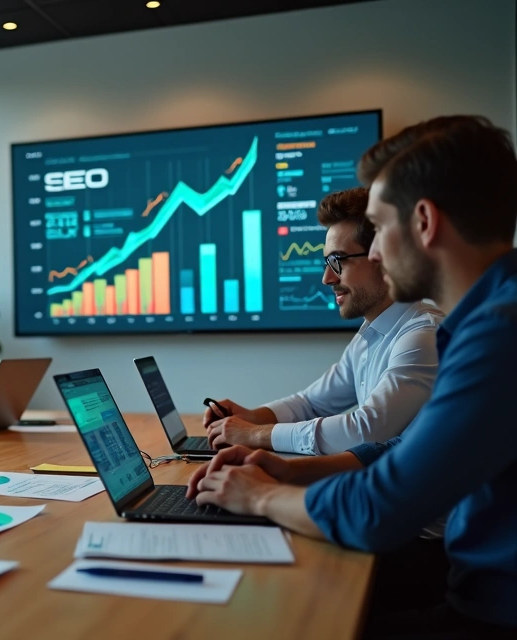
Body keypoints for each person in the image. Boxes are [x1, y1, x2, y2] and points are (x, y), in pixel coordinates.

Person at [188, 115, 517, 638]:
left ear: (425, 222)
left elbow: (377, 509)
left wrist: (259, 497)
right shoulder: (489, 320)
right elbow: (408, 449)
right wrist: (287, 469)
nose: (379, 252)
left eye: (381, 228)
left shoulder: (499, 335)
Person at [204, 187, 442, 455]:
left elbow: (369, 429)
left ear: (382, 257)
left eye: (338, 260)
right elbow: (310, 403)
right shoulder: (370, 337)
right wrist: (251, 417)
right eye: (326, 262)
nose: (327, 278)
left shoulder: (423, 337)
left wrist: (257, 434)